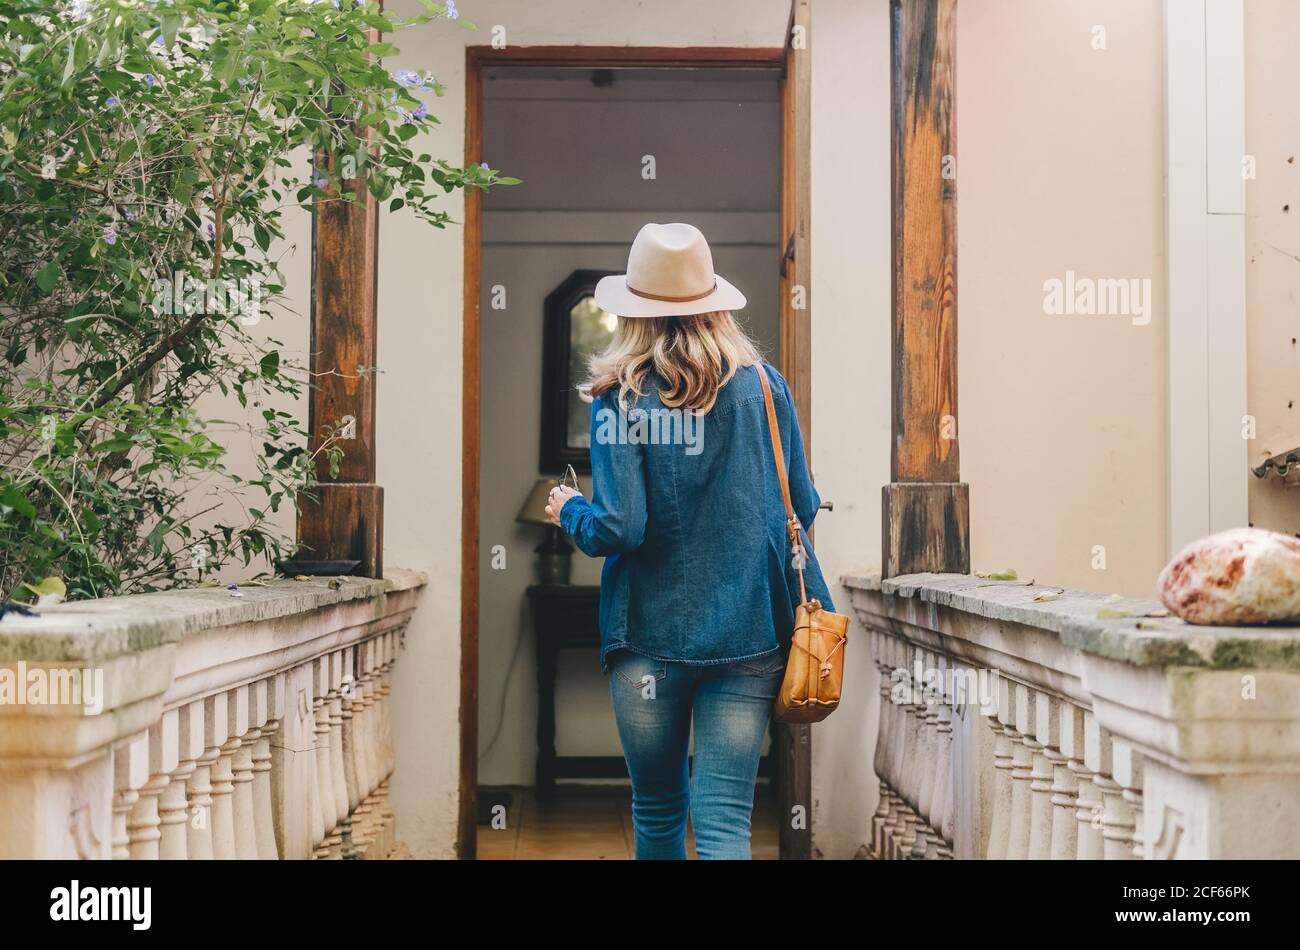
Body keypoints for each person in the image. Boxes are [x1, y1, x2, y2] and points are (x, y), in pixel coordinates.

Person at [543, 222, 835, 860]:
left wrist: (569, 510)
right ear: (714, 306)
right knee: (726, 821)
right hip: (749, 637)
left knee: (656, 809)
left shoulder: (619, 400)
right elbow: (804, 506)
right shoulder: (764, 386)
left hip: (649, 641)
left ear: (633, 314)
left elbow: (621, 528)